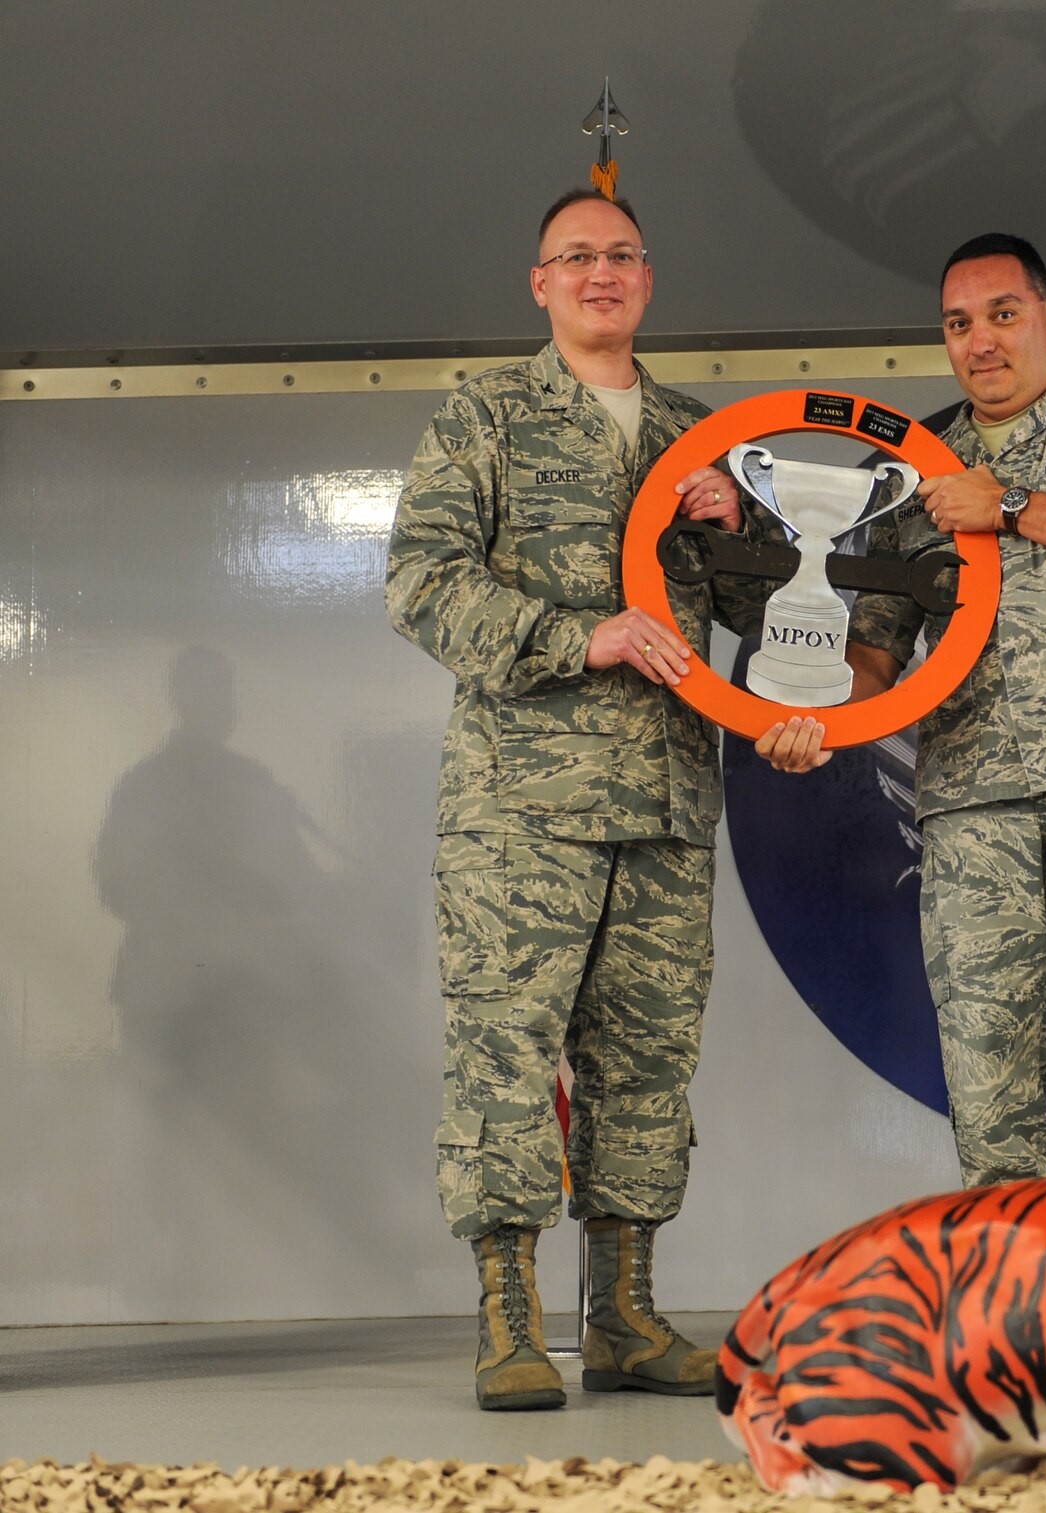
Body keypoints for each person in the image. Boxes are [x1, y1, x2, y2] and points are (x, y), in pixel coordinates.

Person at [387, 188, 760, 1410]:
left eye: (620, 256)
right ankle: (509, 1321)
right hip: (522, 808)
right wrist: (574, 635)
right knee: (506, 1053)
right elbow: (422, 584)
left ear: (648, 279)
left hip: (663, 800)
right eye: (574, 258)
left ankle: (627, 1318)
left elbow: (770, 615)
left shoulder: (702, 436)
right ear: (537, 284)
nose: (600, 274)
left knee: (647, 1061)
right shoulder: (487, 414)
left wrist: (740, 524)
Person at [759, 233, 1046, 1193]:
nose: (981, 341)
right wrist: (809, 718)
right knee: (989, 1074)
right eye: (959, 323)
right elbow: (876, 654)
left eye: (1003, 315)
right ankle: (1025, 1304)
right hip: (973, 794)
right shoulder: (914, 476)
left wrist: (1006, 502)